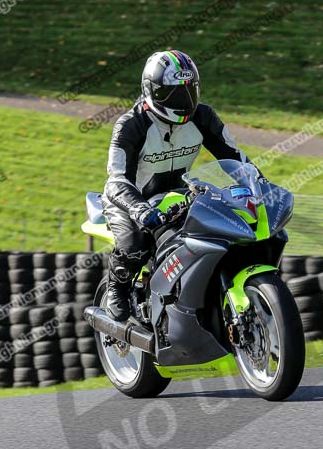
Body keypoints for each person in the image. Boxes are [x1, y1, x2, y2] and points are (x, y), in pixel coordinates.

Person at [102, 49, 251, 321]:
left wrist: (259, 185)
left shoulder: (204, 116)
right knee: (135, 244)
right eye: (172, 93)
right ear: (152, 91)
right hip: (130, 200)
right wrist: (140, 210)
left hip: (179, 195)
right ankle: (117, 287)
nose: (182, 101)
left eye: (188, 90)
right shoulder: (130, 125)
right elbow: (116, 179)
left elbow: (235, 157)